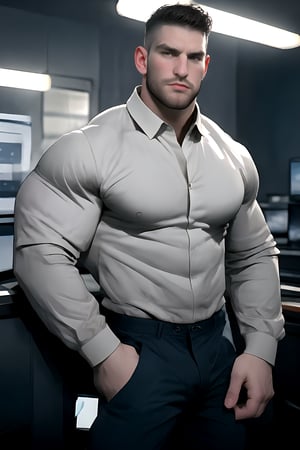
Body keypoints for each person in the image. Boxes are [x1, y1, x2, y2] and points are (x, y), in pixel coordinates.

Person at [13, 3, 285, 450]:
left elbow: (253, 254)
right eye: (167, 53)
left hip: (216, 349)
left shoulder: (233, 155)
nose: (181, 69)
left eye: (193, 57)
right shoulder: (90, 148)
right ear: (143, 59)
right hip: (138, 350)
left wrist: (259, 348)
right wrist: (104, 352)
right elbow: (39, 252)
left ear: (206, 64)